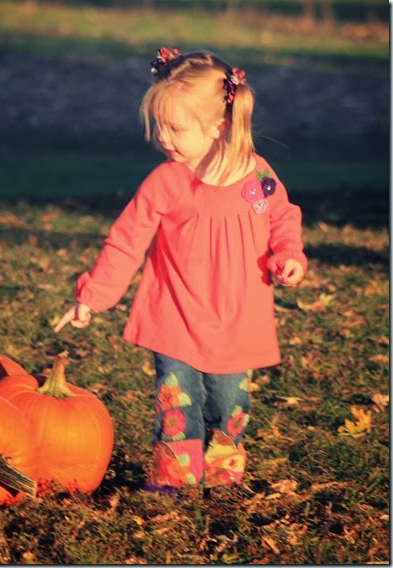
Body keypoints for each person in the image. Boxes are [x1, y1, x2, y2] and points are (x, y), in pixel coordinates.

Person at [54, 47, 307, 492]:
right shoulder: (166, 182)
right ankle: (173, 478)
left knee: (229, 400)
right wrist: (92, 297)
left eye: (175, 128)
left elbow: (281, 218)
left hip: (236, 317)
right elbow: (126, 240)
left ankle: (223, 473)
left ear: (218, 126)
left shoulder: (256, 176)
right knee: (177, 399)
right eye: (159, 126)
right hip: (174, 313)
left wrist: (288, 255)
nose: (163, 138)